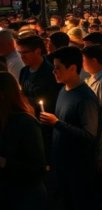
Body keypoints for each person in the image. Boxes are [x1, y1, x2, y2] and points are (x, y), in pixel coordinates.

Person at [40, 46, 101, 210]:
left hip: (78, 169)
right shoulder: (63, 90)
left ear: (73, 68)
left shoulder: (85, 98)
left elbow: (89, 136)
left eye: (58, 68)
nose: (54, 72)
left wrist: (57, 123)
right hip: (62, 164)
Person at [0, 72, 47, 209]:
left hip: (26, 196)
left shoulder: (25, 123)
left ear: (3, 95)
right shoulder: (3, 120)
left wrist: (5, 162)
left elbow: (38, 168)